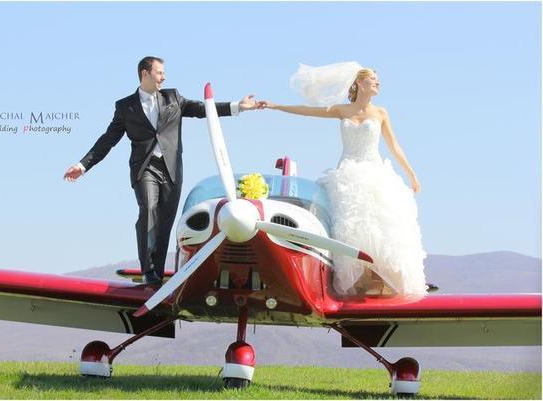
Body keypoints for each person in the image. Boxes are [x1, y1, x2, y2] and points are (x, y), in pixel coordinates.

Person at [64, 56, 261, 285]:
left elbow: (201, 109)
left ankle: (156, 276)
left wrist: (238, 106)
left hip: (171, 169)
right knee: (148, 209)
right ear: (145, 74)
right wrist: (83, 165)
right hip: (145, 168)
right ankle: (148, 271)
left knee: (165, 223)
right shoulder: (125, 107)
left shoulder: (173, 97)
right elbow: (108, 139)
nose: (164, 77)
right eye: (159, 72)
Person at [259, 61, 427, 296]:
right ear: (359, 82)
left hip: (373, 171)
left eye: (377, 79)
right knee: (349, 225)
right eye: (373, 79)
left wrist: (411, 174)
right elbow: (308, 111)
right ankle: (355, 280)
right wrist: (276, 106)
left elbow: (394, 146)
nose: (377, 82)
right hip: (347, 173)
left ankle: (377, 279)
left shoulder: (380, 113)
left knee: (377, 225)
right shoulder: (342, 111)